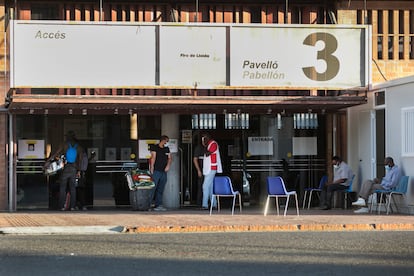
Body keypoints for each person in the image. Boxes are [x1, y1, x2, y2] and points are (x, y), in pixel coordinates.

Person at [49, 130, 83, 211]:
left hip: (66, 167)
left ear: (68, 137)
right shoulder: (79, 147)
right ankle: (72, 206)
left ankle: (62, 206)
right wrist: (79, 170)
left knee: (63, 187)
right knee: (73, 188)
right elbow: (80, 160)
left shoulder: (64, 145)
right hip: (74, 168)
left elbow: (56, 153)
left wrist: (48, 161)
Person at [149, 135, 172, 211]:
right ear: (163, 140)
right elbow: (153, 157)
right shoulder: (155, 147)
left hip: (163, 171)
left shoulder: (167, 149)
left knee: (161, 188)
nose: (167, 143)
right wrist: (152, 167)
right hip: (156, 170)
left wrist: (168, 166)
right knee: (153, 187)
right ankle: (148, 204)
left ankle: (158, 205)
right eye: (166, 141)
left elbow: (170, 158)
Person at [201, 133, 222, 210]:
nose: (204, 140)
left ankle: (205, 204)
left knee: (205, 186)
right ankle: (214, 204)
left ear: (208, 137)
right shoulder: (209, 144)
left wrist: (204, 145)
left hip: (212, 167)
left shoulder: (213, 144)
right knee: (210, 187)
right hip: (209, 168)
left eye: (204, 138)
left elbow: (207, 153)